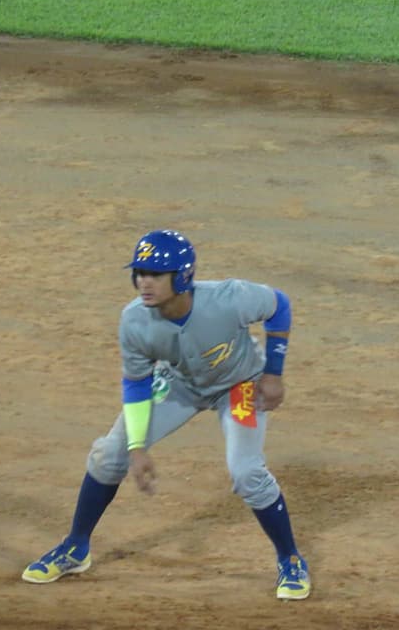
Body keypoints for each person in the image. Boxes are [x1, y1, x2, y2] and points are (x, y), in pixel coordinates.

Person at [21, 229, 310, 599]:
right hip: (179, 384)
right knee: (110, 453)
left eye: (156, 274)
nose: (145, 282)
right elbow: (137, 384)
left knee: (246, 472)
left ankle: (290, 559)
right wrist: (137, 448)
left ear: (183, 276)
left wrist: (273, 373)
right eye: (140, 273)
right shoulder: (134, 320)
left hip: (239, 386)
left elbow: (279, 305)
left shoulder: (228, 299)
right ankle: (76, 546)